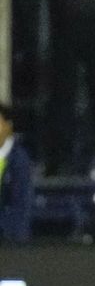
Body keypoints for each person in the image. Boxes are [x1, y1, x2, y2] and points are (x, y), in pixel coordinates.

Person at [0, 105, 35, 246]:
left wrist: (16, 240)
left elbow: (22, 205)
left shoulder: (19, 159)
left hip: (8, 240)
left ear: (8, 125)